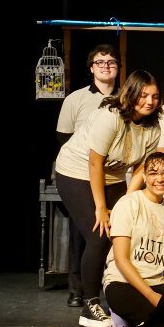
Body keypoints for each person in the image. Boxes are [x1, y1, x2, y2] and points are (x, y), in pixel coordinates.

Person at [55, 69, 162, 327]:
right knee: (99, 234)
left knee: (121, 232)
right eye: (144, 95)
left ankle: (118, 296)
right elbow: (95, 161)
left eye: (155, 97)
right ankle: (90, 304)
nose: (149, 102)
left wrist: (126, 201)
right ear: (131, 94)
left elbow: (139, 168)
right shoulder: (111, 116)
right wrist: (101, 208)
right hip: (76, 171)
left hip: (113, 178)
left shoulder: (153, 127)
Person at [56, 44, 119, 308]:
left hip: (113, 174)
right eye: (100, 62)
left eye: (111, 62)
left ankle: (107, 284)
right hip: (81, 170)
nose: (106, 65)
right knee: (83, 231)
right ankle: (77, 288)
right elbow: (64, 136)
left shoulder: (126, 97)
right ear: (91, 68)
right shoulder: (76, 98)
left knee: (109, 230)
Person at [102, 152, 164, 327]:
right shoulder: (128, 203)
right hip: (123, 283)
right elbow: (121, 260)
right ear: (145, 177)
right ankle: (119, 317)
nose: (160, 178)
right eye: (153, 173)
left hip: (156, 283)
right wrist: (151, 296)